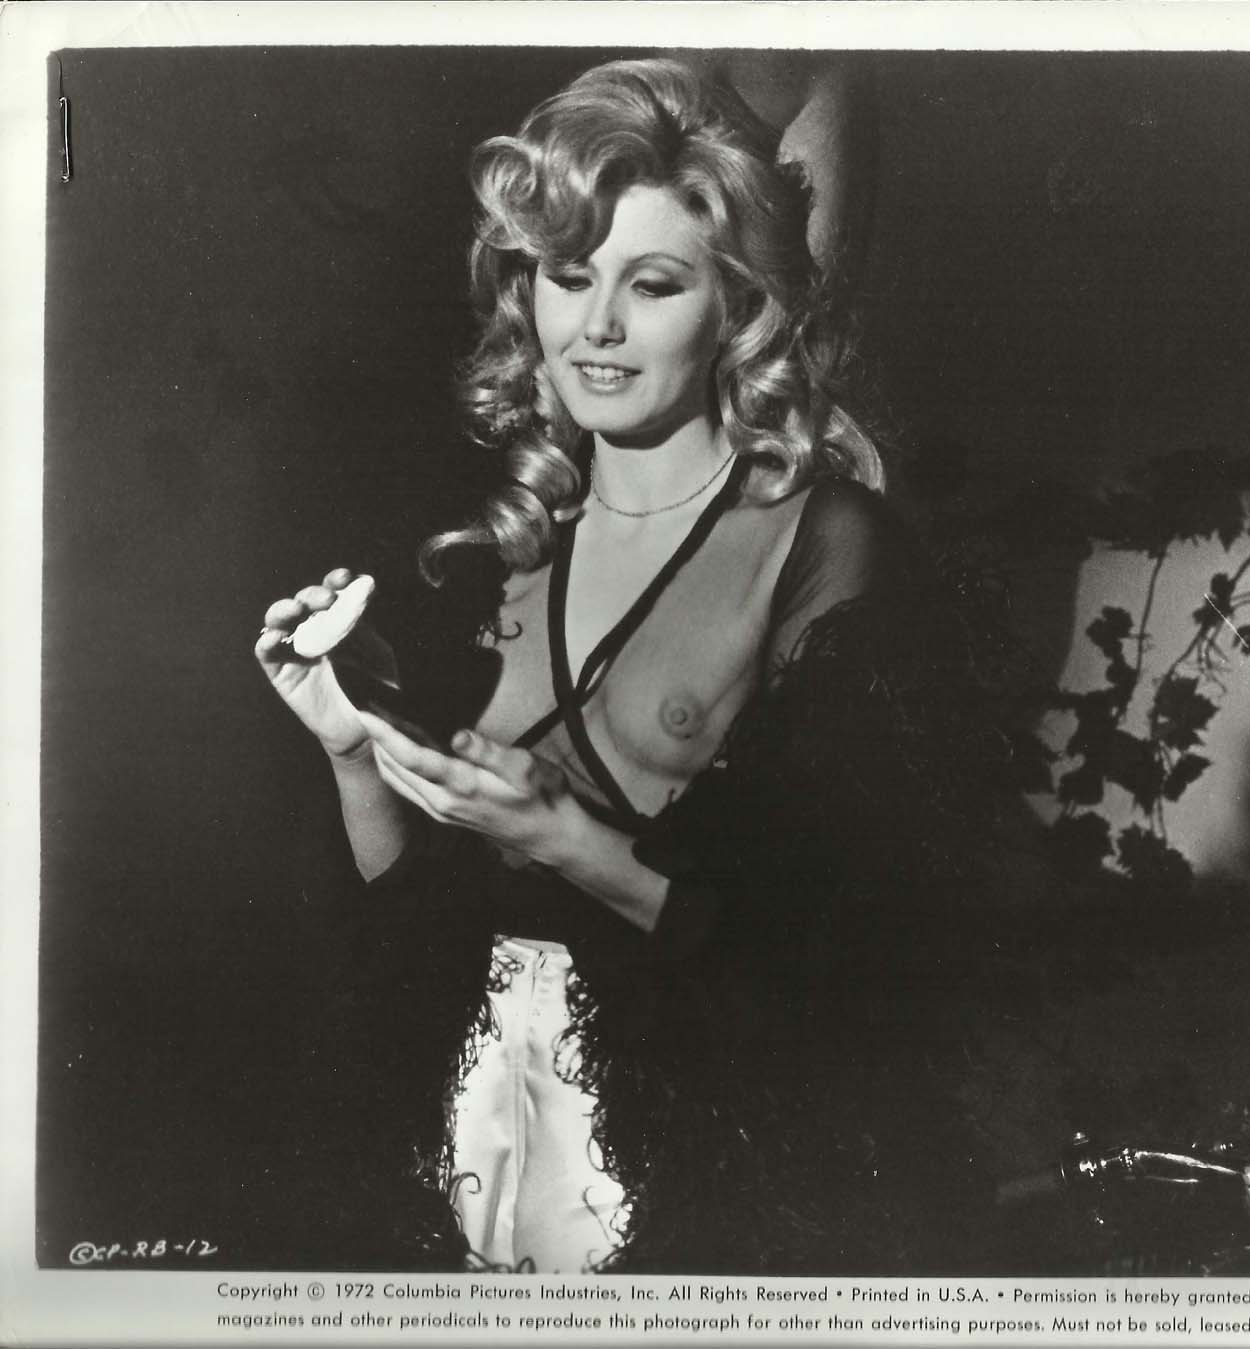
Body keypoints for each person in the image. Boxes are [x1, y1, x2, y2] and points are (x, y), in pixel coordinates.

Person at [257, 58, 1003, 1275]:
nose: (595, 327)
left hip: (709, 1191)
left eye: (651, 284)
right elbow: (414, 928)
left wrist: (568, 840)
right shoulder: (506, 551)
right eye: (569, 275)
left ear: (735, 307)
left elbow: (860, 953)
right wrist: (354, 748)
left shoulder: (824, 546)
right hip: (463, 1182)